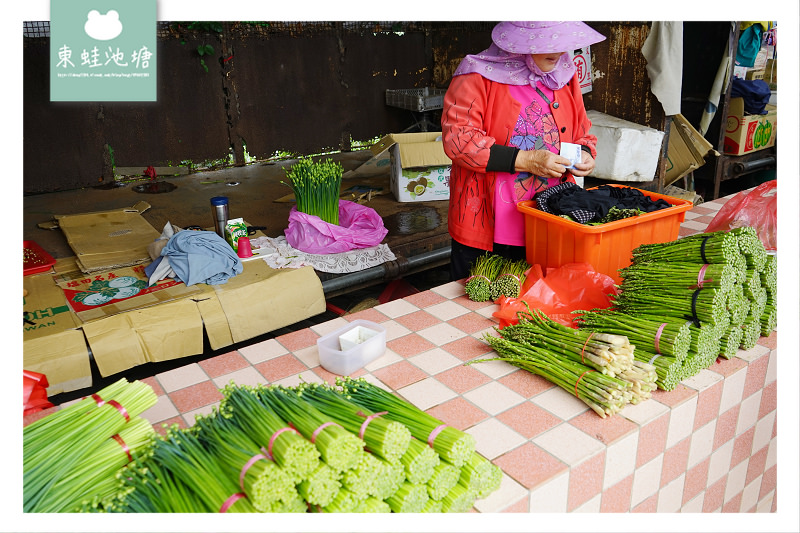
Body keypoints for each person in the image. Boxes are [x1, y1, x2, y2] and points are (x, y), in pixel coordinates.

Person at [441, 21, 606, 280]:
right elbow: (459, 140)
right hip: (487, 219)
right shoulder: (477, 75)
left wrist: (585, 151)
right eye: (545, 42)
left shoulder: (563, 75)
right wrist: (526, 159)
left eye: (562, 41)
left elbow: (582, 129)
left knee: (535, 298)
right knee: (473, 302)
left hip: (548, 216)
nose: (558, 51)